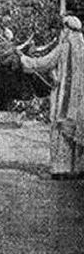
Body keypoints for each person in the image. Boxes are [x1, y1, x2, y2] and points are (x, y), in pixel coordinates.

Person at [20, 15, 84, 180]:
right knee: (77, 130)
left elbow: (45, 63)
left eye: (63, 28)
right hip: (80, 99)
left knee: (60, 129)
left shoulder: (64, 47)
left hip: (64, 96)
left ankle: (61, 169)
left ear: (66, 29)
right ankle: (76, 169)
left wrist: (23, 60)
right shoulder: (83, 47)